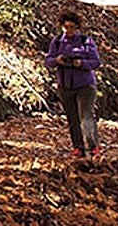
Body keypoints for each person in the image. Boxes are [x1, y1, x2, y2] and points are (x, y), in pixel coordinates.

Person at [44, 10, 102, 158]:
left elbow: (96, 62)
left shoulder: (85, 41)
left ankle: (93, 145)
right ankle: (78, 147)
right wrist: (57, 60)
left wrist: (81, 63)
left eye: (72, 27)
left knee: (86, 116)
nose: (69, 30)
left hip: (85, 85)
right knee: (72, 118)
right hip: (65, 85)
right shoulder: (57, 41)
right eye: (66, 27)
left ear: (77, 27)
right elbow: (48, 60)